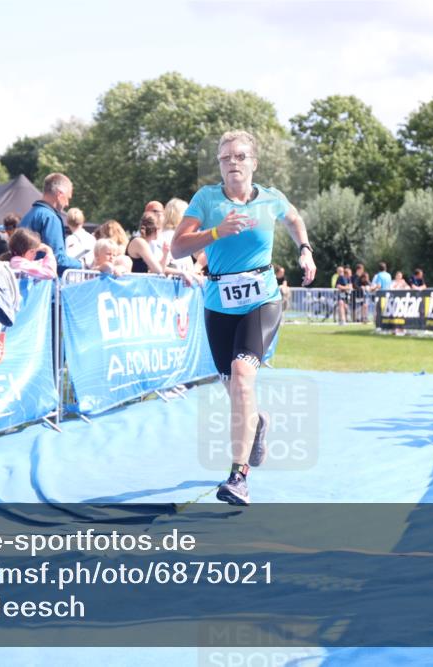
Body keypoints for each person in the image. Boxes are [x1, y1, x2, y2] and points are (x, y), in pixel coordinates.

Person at [171, 129, 315, 505]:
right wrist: (216, 231)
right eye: (225, 157)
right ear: (219, 164)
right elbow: (176, 247)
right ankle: (259, 421)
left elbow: (295, 219)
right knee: (236, 392)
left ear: (253, 162)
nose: (232, 163)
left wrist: (305, 250)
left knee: (242, 375)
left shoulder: (270, 199)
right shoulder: (206, 199)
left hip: (261, 300)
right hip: (218, 304)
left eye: (239, 156)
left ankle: (238, 477)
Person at [19, 172, 81, 275]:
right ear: (60, 194)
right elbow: (57, 259)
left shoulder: (29, 215)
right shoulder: (50, 218)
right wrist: (81, 264)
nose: (67, 203)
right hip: (44, 284)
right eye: (68, 198)